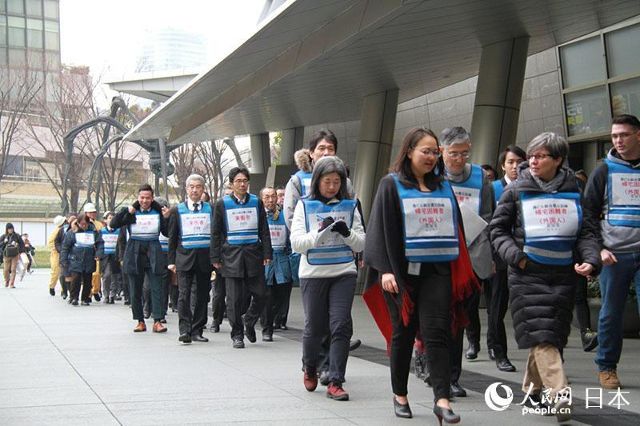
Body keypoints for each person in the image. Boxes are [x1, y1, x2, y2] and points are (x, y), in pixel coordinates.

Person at [365, 127, 477, 422]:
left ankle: (442, 400)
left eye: (434, 151)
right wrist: (385, 270)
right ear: (409, 152)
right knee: (402, 333)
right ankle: (399, 394)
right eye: (425, 151)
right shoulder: (390, 185)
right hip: (400, 276)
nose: (431, 157)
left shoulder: (443, 187)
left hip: (437, 271)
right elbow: (378, 229)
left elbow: (457, 228)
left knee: (437, 333)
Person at [490, 132, 600, 422]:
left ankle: (531, 391)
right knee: (543, 337)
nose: (533, 161)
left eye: (541, 156)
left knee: (549, 334)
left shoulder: (575, 189)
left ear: (558, 160)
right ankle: (560, 396)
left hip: (563, 274)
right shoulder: (516, 190)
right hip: (527, 275)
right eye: (532, 155)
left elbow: (586, 232)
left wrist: (590, 260)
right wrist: (518, 257)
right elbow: (497, 231)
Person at [290, 156, 365, 401]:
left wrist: (347, 233)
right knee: (315, 327)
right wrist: (319, 234)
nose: (332, 186)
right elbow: (297, 243)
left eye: (336, 181)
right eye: (327, 181)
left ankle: (336, 380)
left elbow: (362, 241)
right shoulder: (304, 205)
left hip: (343, 271)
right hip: (313, 273)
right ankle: (310, 366)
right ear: (317, 181)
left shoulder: (351, 205)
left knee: (340, 325)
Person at [583, 114, 640, 389]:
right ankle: (606, 367)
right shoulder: (603, 171)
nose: (618, 140)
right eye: (615, 136)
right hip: (614, 255)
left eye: (624, 135)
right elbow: (589, 215)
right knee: (610, 313)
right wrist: (599, 249)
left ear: (638, 135)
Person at [440, 126, 498, 397]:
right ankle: (428, 360)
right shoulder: (432, 174)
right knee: (437, 319)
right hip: (438, 258)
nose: (459, 159)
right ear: (442, 151)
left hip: (470, 258)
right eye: (454, 153)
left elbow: (488, 213)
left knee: (459, 320)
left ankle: (452, 377)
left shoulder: (479, 177)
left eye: (465, 153)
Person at [211, 167, 272, 348]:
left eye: (245, 180)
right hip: (231, 257)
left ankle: (249, 320)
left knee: (262, 294)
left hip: (254, 255)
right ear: (231, 184)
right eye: (238, 181)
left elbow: (264, 229)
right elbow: (215, 232)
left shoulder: (256, 202)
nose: (242, 184)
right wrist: (215, 256)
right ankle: (237, 334)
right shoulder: (222, 204)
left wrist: (267, 253)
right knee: (234, 299)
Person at [110, 184, 170, 333]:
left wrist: (167, 218)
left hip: (154, 251)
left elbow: (168, 232)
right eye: (142, 198)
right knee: (135, 289)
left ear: (152, 198)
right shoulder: (131, 211)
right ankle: (140, 320)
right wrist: (126, 211)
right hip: (134, 251)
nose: (144, 201)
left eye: (148, 198)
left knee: (157, 287)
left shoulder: (158, 211)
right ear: (138, 198)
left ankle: (157, 320)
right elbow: (113, 224)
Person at [488, 145, 526, 370]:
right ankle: (498, 350)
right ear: (503, 165)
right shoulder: (493, 188)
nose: (515, 167)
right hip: (499, 256)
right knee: (497, 305)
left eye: (519, 162)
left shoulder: (529, 188)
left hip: (523, 255)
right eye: (510, 162)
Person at [168, 174, 213, 344]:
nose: (195, 190)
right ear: (186, 189)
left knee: (202, 295)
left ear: (203, 189)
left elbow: (216, 236)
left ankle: (197, 330)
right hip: (184, 259)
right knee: (183, 295)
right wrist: (171, 261)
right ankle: (184, 330)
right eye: (191, 187)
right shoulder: (178, 210)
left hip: (204, 259)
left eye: (198, 187)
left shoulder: (210, 209)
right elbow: (173, 236)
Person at [260, 187, 293, 341]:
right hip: (264, 261)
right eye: (267, 197)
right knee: (266, 296)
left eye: (273, 196)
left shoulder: (284, 217)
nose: (271, 200)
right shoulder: (259, 216)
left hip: (282, 260)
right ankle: (267, 328)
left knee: (281, 294)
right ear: (262, 199)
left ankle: (275, 319)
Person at [60, 213, 101, 306]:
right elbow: (65, 247)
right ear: (78, 223)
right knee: (76, 280)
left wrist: (98, 253)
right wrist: (64, 260)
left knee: (88, 280)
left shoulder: (93, 231)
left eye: (85, 224)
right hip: (76, 259)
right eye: (81, 224)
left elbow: (99, 244)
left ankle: (85, 298)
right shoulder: (72, 233)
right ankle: (74, 297)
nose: (84, 226)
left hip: (89, 259)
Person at [97, 211, 123, 304]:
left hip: (115, 256)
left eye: (113, 218)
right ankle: (106, 294)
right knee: (106, 275)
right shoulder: (102, 231)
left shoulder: (119, 231)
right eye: (109, 218)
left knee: (115, 276)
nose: (111, 220)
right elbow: (98, 244)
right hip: (105, 256)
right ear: (105, 220)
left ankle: (113, 295)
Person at [84, 203, 104, 302]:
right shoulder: (83, 223)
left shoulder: (99, 224)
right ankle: (88, 294)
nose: (92, 214)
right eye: (90, 212)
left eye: (94, 212)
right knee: (87, 275)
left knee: (97, 274)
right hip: (86, 252)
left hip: (96, 252)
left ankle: (95, 290)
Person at [1, 223, 25, 288]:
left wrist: (19, 249)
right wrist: (4, 242)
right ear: (7, 229)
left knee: (13, 269)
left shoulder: (17, 236)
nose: (10, 230)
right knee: (5, 270)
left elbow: (22, 244)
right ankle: (7, 280)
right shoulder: (4, 236)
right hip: (6, 255)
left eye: (11, 228)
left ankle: (12, 284)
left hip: (15, 255)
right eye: (9, 229)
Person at [47, 215, 66, 296]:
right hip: (56, 254)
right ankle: (52, 286)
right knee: (55, 271)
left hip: (63, 253)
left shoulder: (64, 230)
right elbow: (50, 243)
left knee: (63, 272)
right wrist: (58, 249)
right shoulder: (57, 231)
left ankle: (63, 289)